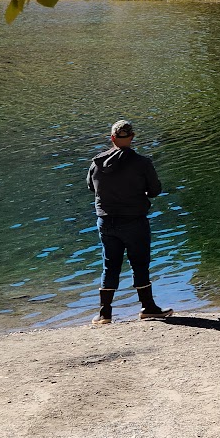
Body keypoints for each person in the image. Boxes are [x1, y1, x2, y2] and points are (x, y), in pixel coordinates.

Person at [88, 119, 173, 324]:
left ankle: (104, 314)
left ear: (112, 138)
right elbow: (154, 191)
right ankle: (148, 307)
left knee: (110, 265)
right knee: (139, 264)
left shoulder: (96, 163)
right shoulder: (142, 163)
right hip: (134, 220)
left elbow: (92, 188)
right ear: (132, 137)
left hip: (106, 221)